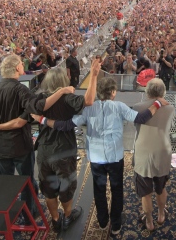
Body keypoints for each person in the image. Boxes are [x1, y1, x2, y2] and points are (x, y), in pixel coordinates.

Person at [0, 58, 101, 232]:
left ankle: (55, 220)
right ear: (63, 81)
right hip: (64, 151)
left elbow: (19, 121)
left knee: (48, 189)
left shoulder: (39, 99)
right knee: (66, 187)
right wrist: (94, 75)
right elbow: (88, 100)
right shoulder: (68, 98)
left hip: (44, 151)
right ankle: (67, 216)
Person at [51, 77, 169, 235]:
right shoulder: (119, 107)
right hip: (115, 158)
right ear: (113, 92)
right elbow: (142, 118)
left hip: (96, 158)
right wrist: (158, 103)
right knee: (116, 189)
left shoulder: (88, 108)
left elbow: (67, 125)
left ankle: (102, 221)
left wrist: (44, 120)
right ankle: (116, 225)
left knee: (99, 190)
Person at [0, 54, 71, 219]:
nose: (23, 65)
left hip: (0, 147)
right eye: (22, 63)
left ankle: (7, 215)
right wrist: (62, 92)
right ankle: (29, 215)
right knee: (26, 182)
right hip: (20, 146)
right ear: (17, 68)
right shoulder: (21, 89)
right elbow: (37, 108)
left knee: (5, 183)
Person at [132, 78, 176, 231]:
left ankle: (149, 221)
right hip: (162, 152)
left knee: (145, 193)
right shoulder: (171, 108)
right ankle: (161, 214)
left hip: (143, 154)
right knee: (161, 188)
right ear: (163, 91)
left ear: (147, 91)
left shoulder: (137, 107)